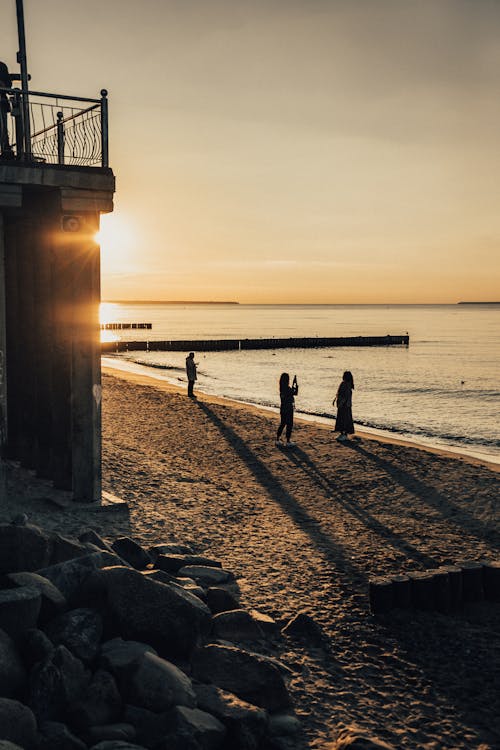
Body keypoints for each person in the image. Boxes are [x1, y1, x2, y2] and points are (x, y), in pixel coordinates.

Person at [276, 372, 298, 448]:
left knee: (283, 423)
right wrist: (295, 385)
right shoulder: (287, 389)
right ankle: (288, 441)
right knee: (289, 424)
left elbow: (293, 393)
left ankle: (277, 439)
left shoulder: (282, 388)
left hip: (283, 408)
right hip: (288, 408)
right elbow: (295, 393)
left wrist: (294, 385)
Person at [333, 370, 355, 442]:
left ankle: (344, 435)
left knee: (342, 420)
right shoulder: (349, 384)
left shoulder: (345, 384)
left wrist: (340, 403)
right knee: (346, 420)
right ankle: (344, 434)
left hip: (344, 405)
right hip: (347, 405)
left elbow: (344, 396)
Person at [0, 62, 13, 158]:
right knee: (3, 127)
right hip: (2, 102)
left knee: (3, 128)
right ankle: (6, 149)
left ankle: (6, 150)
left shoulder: (1, 67)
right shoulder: (2, 66)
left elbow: (8, 86)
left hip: (1, 102)